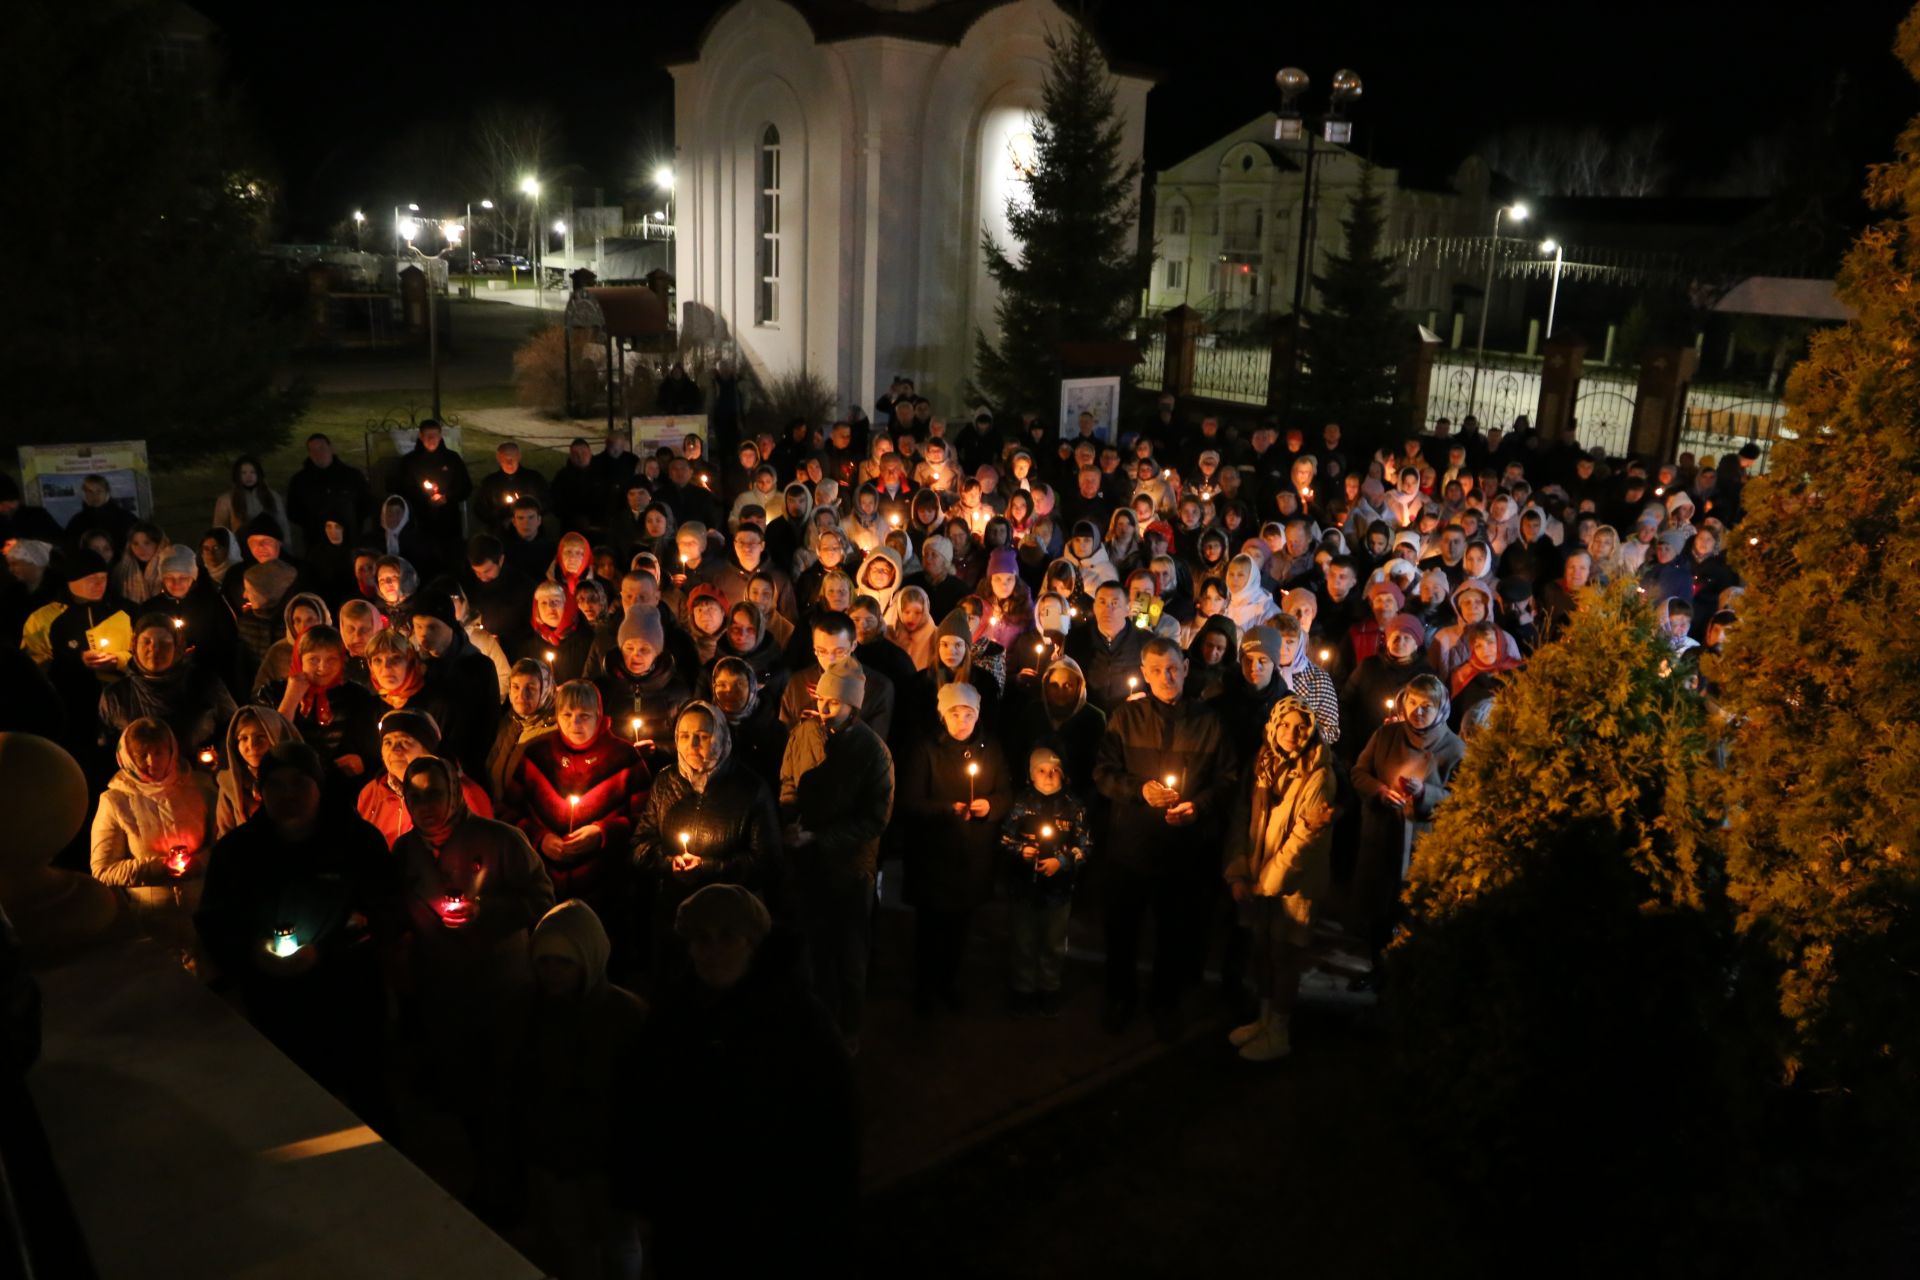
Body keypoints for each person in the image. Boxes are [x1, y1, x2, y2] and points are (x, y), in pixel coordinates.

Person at [642, 885, 856, 1278]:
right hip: (690, 1210)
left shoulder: (798, 1021)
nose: (713, 950)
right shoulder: (674, 1012)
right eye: (702, 939)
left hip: (768, 1215)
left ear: (753, 944)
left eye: (728, 937)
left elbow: (832, 1129)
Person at [195, 741, 397, 1117]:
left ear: (319, 787)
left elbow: (386, 911)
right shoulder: (237, 852)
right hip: (274, 1001)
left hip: (349, 997)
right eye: (276, 785)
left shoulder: (357, 842)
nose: (288, 795)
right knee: (295, 1105)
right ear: (260, 791)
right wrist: (250, 952)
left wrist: (328, 952)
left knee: (368, 1099)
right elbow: (214, 918)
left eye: (300, 783)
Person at [1093, 635, 1236, 1039]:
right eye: (1156, 671)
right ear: (1144, 674)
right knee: (1122, 930)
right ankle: (1119, 997)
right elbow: (1103, 773)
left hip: (1184, 851)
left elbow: (1227, 779)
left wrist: (1199, 806)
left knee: (1173, 932)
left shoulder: (1208, 721)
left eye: (1173, 668)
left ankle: (1164, 1001)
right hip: (1132, 847)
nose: (1166, 677)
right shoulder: (1126, 718)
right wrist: (1139, 791)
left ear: (1186, 668)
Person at [499, 901, 646, 1280]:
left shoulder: (626, 1017)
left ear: (589, 960)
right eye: (544, 961)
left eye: (564, 962)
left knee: (619, 1243)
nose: (552, 973)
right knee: (570, 1243)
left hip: (609, 1162)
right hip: (552, 1160)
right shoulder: (524, 1011)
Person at [778, 657, 893, 1046]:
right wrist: (790, 820)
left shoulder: (873, 752)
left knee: (848, 954)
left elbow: (874, 819)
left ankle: (848, 1029)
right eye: (822, 700)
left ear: (853, 705)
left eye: (834, 703)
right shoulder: (804, 733)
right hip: (807, 862)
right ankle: (814, 1024)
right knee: (811, 947)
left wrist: (821, 837)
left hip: (849, 868)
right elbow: (789, 782)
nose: (824, 709)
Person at [1224, 696, 1337, 1062]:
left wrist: (1265, 883)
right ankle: (1264, 1019)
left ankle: (1280, 1031)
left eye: (1300, 726)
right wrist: (1241, 870)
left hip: (1294, 884)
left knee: (1286, 955)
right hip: (1261, 876)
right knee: (1263, 951)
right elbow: (1244, 815)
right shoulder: (1263, 762)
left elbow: (1304, 838)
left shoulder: (1320, 773)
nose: (1292, 733)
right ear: (1273, 726)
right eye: (1285, 725)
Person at [898, 681, 1010, 1013]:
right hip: (934, 855)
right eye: (955, 714)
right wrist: (948, 809)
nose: (962, 722)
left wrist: (990, 806)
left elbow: (1005, 791)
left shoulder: (991, 748)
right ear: (942, 715)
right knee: (930, 927)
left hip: (972, 854)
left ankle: (948, 982)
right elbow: (911, 800)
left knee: (960, 927)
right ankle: (925, 987)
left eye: (969, 714)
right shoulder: (926, 749)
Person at [510, 682, 648, 944]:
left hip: (605, 886)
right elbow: (507, 812)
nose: (575, 723)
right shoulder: (536, 755)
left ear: (599, 715)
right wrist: (540, 839)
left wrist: (603, 833)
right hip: (543, 884)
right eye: (567, 715)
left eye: (584, 715)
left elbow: (644, 820)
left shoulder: (624, 757)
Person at [1350, 674, 1465, 972]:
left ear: (1441, 708)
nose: (1418, 711)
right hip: (1382, 835)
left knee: (1411, 911)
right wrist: (1380, 791)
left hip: (1421, 842)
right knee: (1378, 909)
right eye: (1412, 703)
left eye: (1427, 705)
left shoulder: (1455, 749)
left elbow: (1460, 798)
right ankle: (1376, 969)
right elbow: (1359, 773)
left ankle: (1406, 975)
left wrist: (1426, 793)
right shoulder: (1386, 736)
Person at [91, 718, 216, 953]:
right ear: (127, 756)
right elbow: (102, 869)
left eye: (159, 753)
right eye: (142, 755)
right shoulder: (115, 801)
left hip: (203, 915)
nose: (152, 762)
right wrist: (159, 868)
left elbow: (221, 843)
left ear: (172, 751)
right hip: (151, 922)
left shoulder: (200, 787)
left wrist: (200, 862)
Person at [998, 746, 1089, 1018]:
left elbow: (1085, 845)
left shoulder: (1074, 806)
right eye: (1041, 770)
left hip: (1058, 893)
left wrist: (1061, 861)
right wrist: (1020, 850)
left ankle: (1049, 988)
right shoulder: (1022, 803)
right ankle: (1022, 988)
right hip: (1024, 888)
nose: (1049, 775)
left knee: (1053, 941)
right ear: (1031, 775)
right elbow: (1004, 839)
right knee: (1023, 939)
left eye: (1055, 770)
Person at [100, 611, 237, 757]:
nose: (154, 649)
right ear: (134, 645)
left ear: (177, 647)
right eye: (147, 641)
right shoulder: (115, 696)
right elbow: (106, 748)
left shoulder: (207, 684)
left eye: (164, 643)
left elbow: (235, 729)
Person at [357, 710, 495, 847]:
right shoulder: (371, 793)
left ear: (428, 750)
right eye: (388, 742)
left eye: (405, 741)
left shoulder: (464, 795)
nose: (395, 749)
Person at [214, 705, 300, 836]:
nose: (251, 745)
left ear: (277, 737)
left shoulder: (298, 779)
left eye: (260, 737)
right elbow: (225, 834)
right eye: (243, 738)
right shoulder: (229, 785)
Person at [487, 658, 558, 807]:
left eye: (530, 688)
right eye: (516, 687)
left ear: (544, 691)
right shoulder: (508, 722)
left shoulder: (552, 732)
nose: (521, 695)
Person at [284, 433, 372, 551]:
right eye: (313, 450)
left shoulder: (352, 476)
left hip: (350, 541)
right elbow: (293, 511)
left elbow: (366, 504)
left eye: (321, 448)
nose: (318, 453)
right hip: (316, 544)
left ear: (331, 448)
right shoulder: (299, 481)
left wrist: (351, 523)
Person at [212, 455, 290, 540]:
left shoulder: (272, 496)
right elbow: (220, 529)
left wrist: (286, 548)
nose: (249, 476)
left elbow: (282, 525)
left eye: (253, 472)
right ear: (237, 475)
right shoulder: (226, 500)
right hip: (241, 548)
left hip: (269, 548)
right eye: (244, 473)